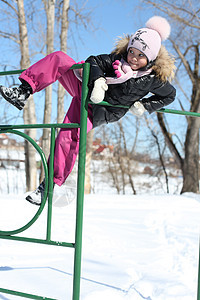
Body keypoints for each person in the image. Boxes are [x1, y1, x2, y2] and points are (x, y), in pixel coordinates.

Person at [0, 16, 176, 205]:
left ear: (150, 58)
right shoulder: (117, 59)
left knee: (67, 137)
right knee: (59, 58)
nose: (133, 58)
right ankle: (23, 91)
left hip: (98, 111)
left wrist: (145, 105)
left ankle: (47, 188)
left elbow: (169, 96)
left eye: (140, 55)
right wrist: (98, 80)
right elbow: (94, 61)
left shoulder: (153, 79)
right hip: (85, 89)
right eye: (132, 51)